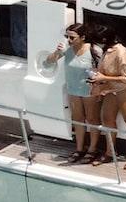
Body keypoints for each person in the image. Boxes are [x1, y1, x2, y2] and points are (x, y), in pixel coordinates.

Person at [43, 23, 104, 164]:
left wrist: (100, 87)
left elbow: (104, 69)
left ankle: (92, 149)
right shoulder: (67, 49)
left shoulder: (94, 50)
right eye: (67, 37)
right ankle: (79, 149)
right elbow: (47, 63)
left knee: (92, 119)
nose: (69, 40)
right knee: (77, 119)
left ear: (83, 37)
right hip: (73, 90)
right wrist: (57, 52)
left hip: (90, 90)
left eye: (72, 37)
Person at [88, 23, 126, 168]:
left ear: (104, 39)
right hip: (111, 90)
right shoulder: (107, 51)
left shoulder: (121, 53)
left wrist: (103, 78)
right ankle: (110, 152)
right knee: (107, 119)